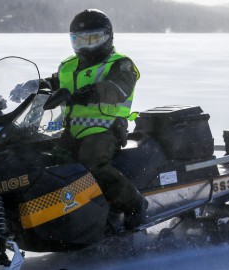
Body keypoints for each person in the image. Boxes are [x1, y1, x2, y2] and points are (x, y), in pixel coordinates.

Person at [44, 9, 147, 229]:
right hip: (69, 129)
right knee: (41, 159)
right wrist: (35, 86)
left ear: (107, 37)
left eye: (93, 39)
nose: (85, 45)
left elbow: (118, 88)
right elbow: (54, 83)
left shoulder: (120, 64)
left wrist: (91, 92)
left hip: (105, 129)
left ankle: (134, 204)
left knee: (92, 163)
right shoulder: (68, 65)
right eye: (79, 39)